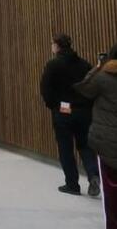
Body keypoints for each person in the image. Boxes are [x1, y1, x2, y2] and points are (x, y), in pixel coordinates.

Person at [40, 33, 100, 196]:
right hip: (83, 111)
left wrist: (53, 105)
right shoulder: (84, 64)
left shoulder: (53, 65)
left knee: (65, 148)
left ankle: (72, 184)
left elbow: (46, 88)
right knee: (85, 145)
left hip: (63, 111)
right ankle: (93, 174)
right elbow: (91, 86)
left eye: (52, 43)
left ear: (57, 46)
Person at [75, 44, 117, 215]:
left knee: (111, 192)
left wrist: (98, 67)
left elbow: (84, 88)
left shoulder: (103, 77)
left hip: (106, 140)